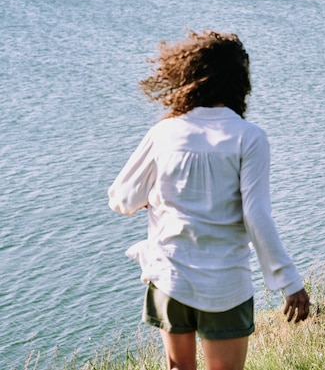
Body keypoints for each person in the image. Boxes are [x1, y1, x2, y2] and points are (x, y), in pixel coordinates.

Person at [108, 30, 310, 370]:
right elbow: (256, 215)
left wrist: (155, 196)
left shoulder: (165, 132)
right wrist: (290, 282)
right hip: (225, 285)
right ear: (238, 82)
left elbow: (123, 198)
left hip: (170, 279)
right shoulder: (250, 137)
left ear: (188, 77)